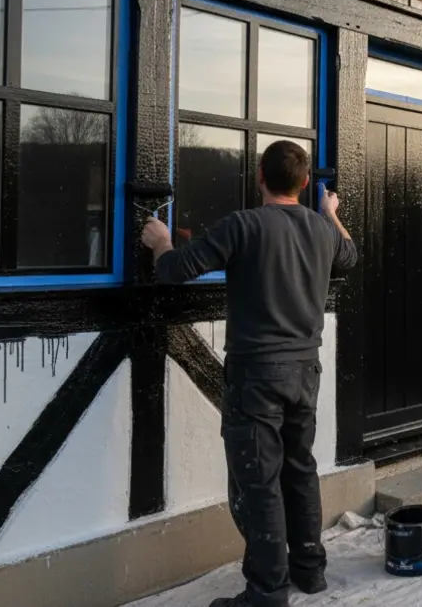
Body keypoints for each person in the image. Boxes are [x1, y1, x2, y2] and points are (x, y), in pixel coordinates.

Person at [141, 140, 357, 607]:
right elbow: (350, 254)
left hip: (257, 373)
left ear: (260, 176)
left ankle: (266, 591)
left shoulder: (242, 226)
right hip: (305, 372)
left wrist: (160, 243)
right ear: (303, 183)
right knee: (299, 471)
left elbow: (175, 270)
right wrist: (330, 210)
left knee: (258, 481)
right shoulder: (322, 230)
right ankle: (310, 571)